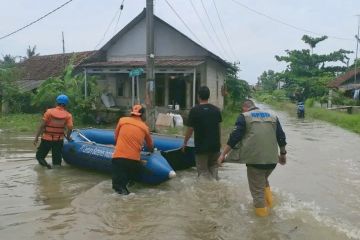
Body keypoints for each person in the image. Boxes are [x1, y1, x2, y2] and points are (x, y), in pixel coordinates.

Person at [217, 99, 287, 217]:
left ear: (245, 108)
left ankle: (263, 222)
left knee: (257, 192)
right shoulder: (273, 116)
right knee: (263, 182)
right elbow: (281, 136)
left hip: (255, 161)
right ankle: (272, 206)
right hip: (272, 161)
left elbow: (235, 137)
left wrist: (223, 154)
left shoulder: (244, 116)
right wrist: (283, 154)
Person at [112, 104, 154, 195]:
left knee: (118, 188)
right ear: (142, 114)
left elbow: (116, 138)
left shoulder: (122, 121)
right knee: (131, 182)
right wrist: (151, 152)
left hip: (119, 159)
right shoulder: (145, 127)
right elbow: (150, 146)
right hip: (134, 162)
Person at [182, 86, 222, 180]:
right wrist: (218, 144)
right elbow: (219, 128)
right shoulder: (216, 110)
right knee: (214, 172)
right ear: (209, 96)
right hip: (215, 147)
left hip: (201, 147)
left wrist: (185, 143)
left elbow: (190, 129)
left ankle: (206, 193)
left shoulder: (194, 110)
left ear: (198, 96)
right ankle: (215, 192)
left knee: (203, 174)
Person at [33, 94, 73, 169]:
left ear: (56, 103)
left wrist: (36, 138)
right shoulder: (68, 115)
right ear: (66, 104)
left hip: (46, 139)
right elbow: (70, 128)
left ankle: (47, 167)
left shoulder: (49, 112)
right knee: (57, 162)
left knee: (39, 157)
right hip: (58, 140)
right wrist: (68, 137)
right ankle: (57, 177)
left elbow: (42, 126)